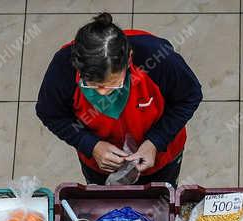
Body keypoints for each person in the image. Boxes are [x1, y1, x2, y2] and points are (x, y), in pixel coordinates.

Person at [36, 13, 202, 187]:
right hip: (101, 164)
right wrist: (91, 145)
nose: (102, 94)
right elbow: (50, 113)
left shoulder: (157, 57)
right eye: (93, 85)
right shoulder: (63, 67)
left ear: (128, 59)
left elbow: (190, 96)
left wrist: (156, 141)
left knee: (161, 202)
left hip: (160, 158)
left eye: (112, 84)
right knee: (106, 204)